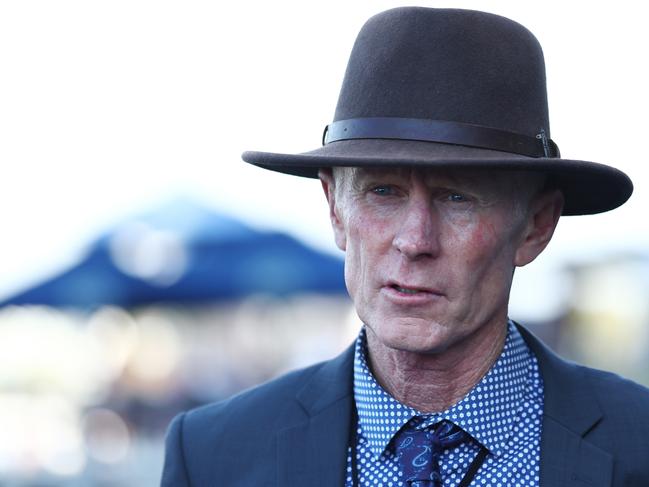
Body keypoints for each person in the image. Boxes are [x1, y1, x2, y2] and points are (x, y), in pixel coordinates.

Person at [161, 7, 649, 486]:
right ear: (336, 209)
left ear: (536, 225)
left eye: (457, 197)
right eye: (383, 192)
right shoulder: (212, 456)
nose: (415, 241)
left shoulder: (637, 444)